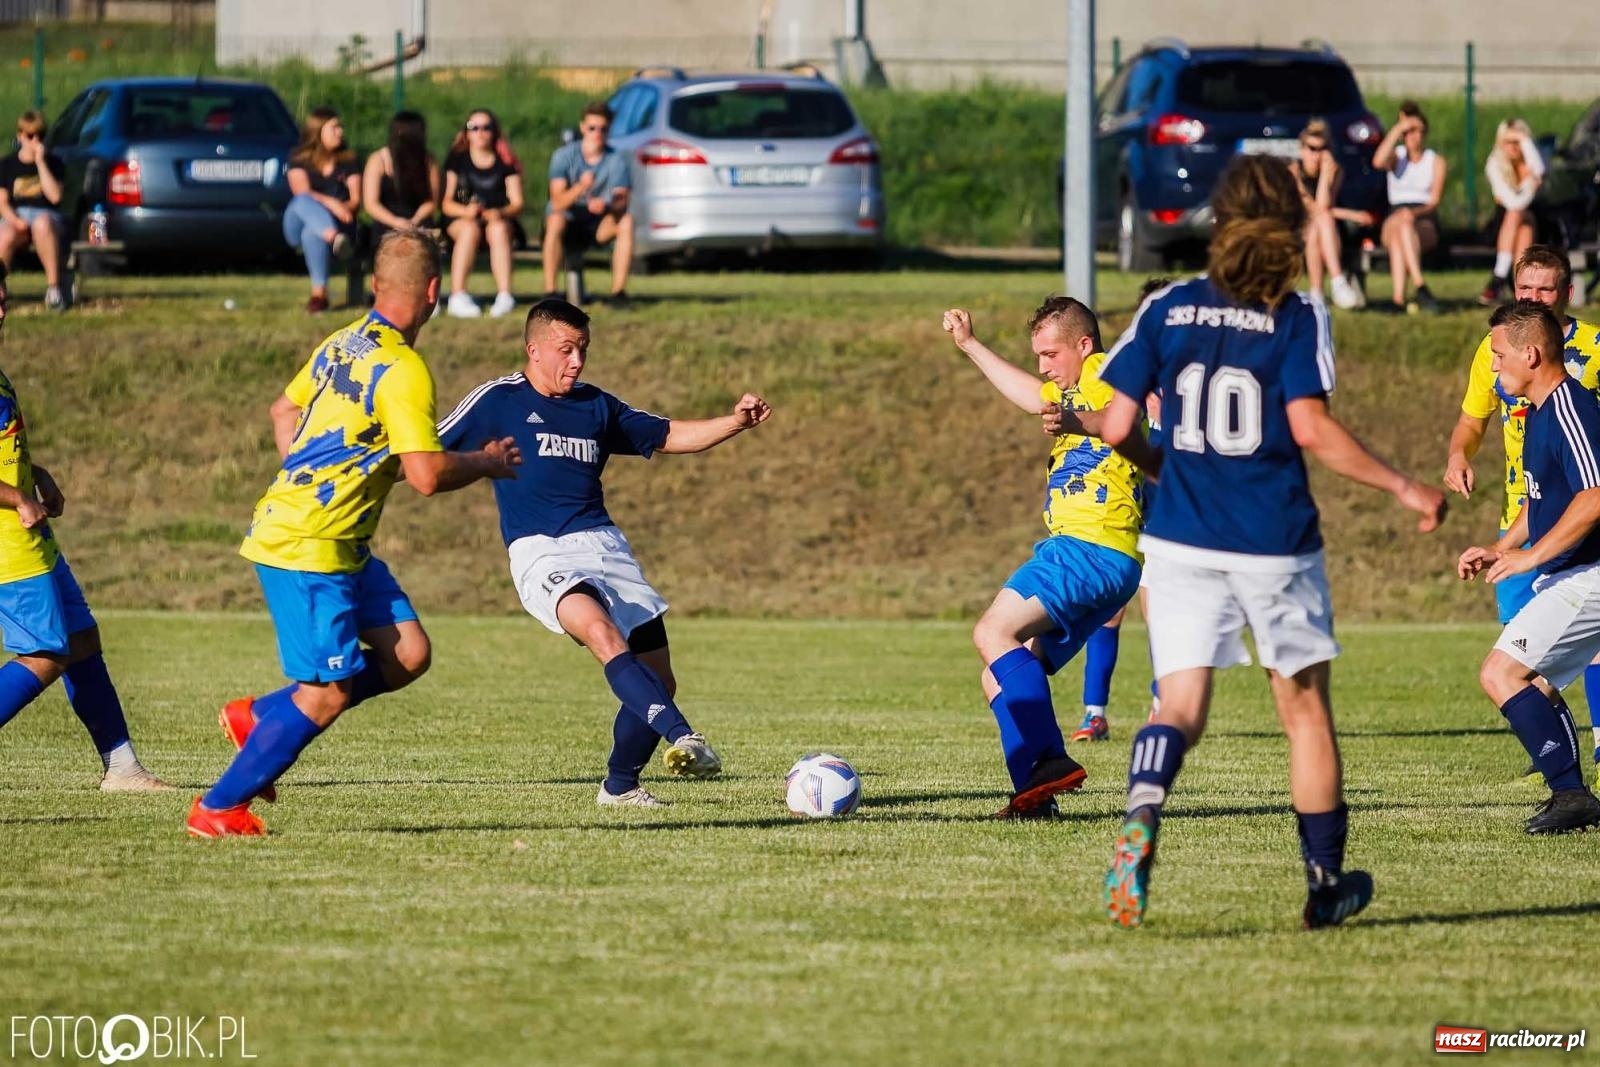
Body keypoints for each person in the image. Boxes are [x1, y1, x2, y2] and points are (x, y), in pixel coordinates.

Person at [1094, 154, 1446, 929]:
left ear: (1216, 221)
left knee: (1178, 702)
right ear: (1291, 225)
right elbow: (1309, 428)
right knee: (1304, 714)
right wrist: (1403, 484)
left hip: (1180, 539)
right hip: (1273, 541)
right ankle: (1324, 885)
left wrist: (1167, 464)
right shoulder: (1298, 315)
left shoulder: (1168, 306)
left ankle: (1143, 810)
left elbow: (1117, 425)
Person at [186, 230, 522, 838]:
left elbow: (282, 411)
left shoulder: (343, 341)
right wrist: (487, 462)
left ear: (375, 286)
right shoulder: (402, 368)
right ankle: (218, 807)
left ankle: (258, 716)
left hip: (340, 541)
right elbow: (424, 475)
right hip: (308, 543)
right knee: (326, 694)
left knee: (407, 653)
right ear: (434, 292)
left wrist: (310, 473)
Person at [435, 298, 769, 808]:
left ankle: (620, 786)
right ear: (534, 349)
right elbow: (428, 448)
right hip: (541, 551)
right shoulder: (497, 399)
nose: (577, 361)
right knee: (601, 632)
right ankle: (685, 738)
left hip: (605, 546)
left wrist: (736, 422)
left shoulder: (597, 405)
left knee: (659, 676)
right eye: (565, 349)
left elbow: (671, 434)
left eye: (583, 350)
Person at [943, 299, 1142, 818]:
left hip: (1087, 546)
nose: (1043, 366)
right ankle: (1033, 798)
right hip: (1109, 559)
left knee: (991, 633)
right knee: (998, 674)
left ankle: (1051, 758)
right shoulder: (1071, 388)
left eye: (1050, 353)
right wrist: (970, 346)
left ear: (1083, 345)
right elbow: (1033, 397)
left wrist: (1078, 419)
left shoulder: (1105, 370)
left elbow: (1122, 411)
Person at [0, 263, 168, 790]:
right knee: (47, 653)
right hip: (9, 546)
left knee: (81, 638)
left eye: (3, 297)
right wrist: (15, 499)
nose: (1, 309)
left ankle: (122, 768)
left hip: (33, 539)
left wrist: (36, 477)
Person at [1443, 246, 1600, 770]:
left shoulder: (1575, 389)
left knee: (1512, 669)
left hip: (1582, 543)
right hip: (1536, 520)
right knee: (1522, 669)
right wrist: (1502, 546)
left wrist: (1530, 556)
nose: (1532, 297)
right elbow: (1473, 425)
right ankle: (1563, 774)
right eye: (1524, 288)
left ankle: (1583, 762)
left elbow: (1594, 491)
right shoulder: (1528, 402)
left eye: (1544, 289)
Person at [543, 102, 634, 304]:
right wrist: (580, 188)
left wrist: (608, 206)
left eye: (603, 129)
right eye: (593, 128)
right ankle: (550, 291)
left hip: (596, 223)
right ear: (583, 127)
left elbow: (622, 199)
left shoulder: (616, 160)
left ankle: (618, 292)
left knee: (625, 221)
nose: (597, 133)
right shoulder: (563, 157)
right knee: (555, 220)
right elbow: (557, 202)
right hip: (568, 221)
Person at [441, 109, 524, 319]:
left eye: (486, 128)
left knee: (498, 228)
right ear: (466, 132)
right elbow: (446, 204)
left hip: (495, 223)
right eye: (474, 127)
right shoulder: (456, 161)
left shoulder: (506, 162)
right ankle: (457, 296)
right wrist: (465, 211)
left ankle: (505, 295)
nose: (480, 132)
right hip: (462, 222)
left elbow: (517, 203)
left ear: (494, 132)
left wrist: (500, 212)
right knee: (469, 229)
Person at [284, 106, 361, 315]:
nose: (340, 132)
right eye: (334, 127)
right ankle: (334, 238)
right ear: (318, 131)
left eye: (341, 127)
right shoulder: (298, 158)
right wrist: (333, 204)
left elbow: (355, 200)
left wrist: (342, 207)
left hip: (336, 225)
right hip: (296, 225)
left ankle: (319, 296)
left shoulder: (348, 160)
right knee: (302, 200)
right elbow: (302, 192)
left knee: (313, 232)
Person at [1289, 118, 1372, 310]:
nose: (1316, 155)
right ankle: (1337, 281)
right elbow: (1313, 208)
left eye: (1322, 149)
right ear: (1302, 149)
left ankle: (1318, 292)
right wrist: (1352, 215)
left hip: (1326, 229)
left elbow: (1325, 206)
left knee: (1321, 224)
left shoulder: (1335, 170)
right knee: (1320, 223)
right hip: (1302, 226)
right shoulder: (1293, 172)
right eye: (1311, 148)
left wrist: (1326, 176)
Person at [1373, 102, 1446, 314]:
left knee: (1403, 228)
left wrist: (1412, 214)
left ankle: (1398, 300)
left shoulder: (1435, 161)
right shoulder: (1397, 157)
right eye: (1410, 132)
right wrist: (1398, 128)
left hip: (1422, 218)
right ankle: (1420, 285)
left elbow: (1433, 202)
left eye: (1420, 132)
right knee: (1400, 225)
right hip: (1396, 214)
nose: (1416, 137)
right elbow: (1377, 162)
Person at [0, 111, 68, 311]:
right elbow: (2, 202)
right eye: (30, 136)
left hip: (47, 217)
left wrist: (41, 163)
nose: (36, 140)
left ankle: (54, 289)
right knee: (4, 235)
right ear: (20, 136)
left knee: (42, 224)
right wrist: (15, 220)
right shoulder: (7, 165)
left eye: (41, 135)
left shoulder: (54, 163)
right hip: (17, 216)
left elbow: (55, 197)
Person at [1478, 119, 1545, 306]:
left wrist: (1524, 139)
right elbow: (1513, 202)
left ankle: (1499, 280)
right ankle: (1521, 285)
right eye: (1509, 141)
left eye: (1519, 141)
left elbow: (1539, 168)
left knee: (1525, 219)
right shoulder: (1494, 164)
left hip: (1535, 220)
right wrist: (1532, 185)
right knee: (1518, 217)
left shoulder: (1532, 163)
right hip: (1502, 225)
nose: (1514, 147)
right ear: (1500, 144)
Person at [363, 111, 440, 246]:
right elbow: (371, 203)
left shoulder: (428, 160)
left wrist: (415, 221)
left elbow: (431, 201)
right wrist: (396, 222)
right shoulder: (378, 160)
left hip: (419, 220)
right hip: (386, 221)